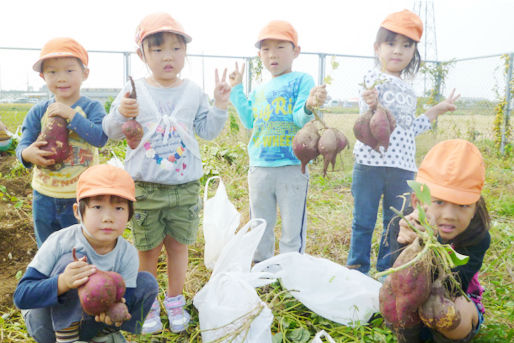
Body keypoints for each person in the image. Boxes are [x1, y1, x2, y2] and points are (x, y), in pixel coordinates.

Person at [102, 12, 230, 334]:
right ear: (141, 54)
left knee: (178, 247)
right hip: (145, 188)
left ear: (185, 52)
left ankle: (175, 299)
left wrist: (218, 105)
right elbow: (111, 131)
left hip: (184, 187)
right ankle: (148, 305)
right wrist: (121, 113)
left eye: (176, 48)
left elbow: (208, 130)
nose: (168, 56)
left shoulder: (192, 91)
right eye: (157, 49)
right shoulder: (134, 92)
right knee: (147, 250)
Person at [347, 9, 460, 274]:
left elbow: (411, 128)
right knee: (362, 221)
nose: (397, 51)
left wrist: (437, 110)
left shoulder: (410, 90)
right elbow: (366, 114)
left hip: (402, 167)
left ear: (413, 53)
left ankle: (388, 271)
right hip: (369, 163)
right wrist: (371, 101)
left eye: (406, 46)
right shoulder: (371, 78)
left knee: (395, 222)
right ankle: (357, 270)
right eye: (391, 43)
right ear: (378, 48)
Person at [14, 164, 159, 343]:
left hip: (90, 323)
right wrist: (63, 282)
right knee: (73, 264)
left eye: (119, 208)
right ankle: (67, 339)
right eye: (97, 207)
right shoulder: (60, 241)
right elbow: (21, 296)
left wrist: (116, 309)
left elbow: (124, 297)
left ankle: (103, 333)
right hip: (47, 325)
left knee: (147, 282)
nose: (108, 217)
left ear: (129, 214)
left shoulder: (127, 253)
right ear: (78, 212)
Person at [228, 20, 327, 263]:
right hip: (260, 166)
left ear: (296, 51)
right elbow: (250, 120)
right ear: (259, 54)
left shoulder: (301, 80)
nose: (272, 54)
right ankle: (262, 266)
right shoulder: (260, 90)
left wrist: (309, 104)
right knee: (260, 222)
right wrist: (236, 90)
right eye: (266, 49)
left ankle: (290, 269)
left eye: (280, 47)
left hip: (292, 166)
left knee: (292, 225)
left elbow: (298, 117)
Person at [389, 139, 490, 343]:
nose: (449, 215)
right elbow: (394, 275)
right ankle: (410, 337)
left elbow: (456, 284)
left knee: (441, 309)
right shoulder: (404, 224)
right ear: (417, 200)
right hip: (412, 298)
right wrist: (406, 246)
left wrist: (430, 245)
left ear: (475, 206)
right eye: (439, 202)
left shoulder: (478, 236)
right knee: (388, 292)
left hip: (457, 298)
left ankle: (443, 337)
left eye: (462, 205)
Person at [15, 37, 108, 247]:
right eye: (52, 72)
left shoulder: (92, 107)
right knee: (47, 248)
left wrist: (71, 116)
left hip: (81, 196)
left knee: (80, 247)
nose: (61, 78)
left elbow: (100, 138)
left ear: (85, 74)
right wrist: (26, 154)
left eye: (69, 70)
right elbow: (23, 144)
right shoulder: (38, 111)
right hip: (44, 196)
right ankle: (51, 280)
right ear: (42, 76)